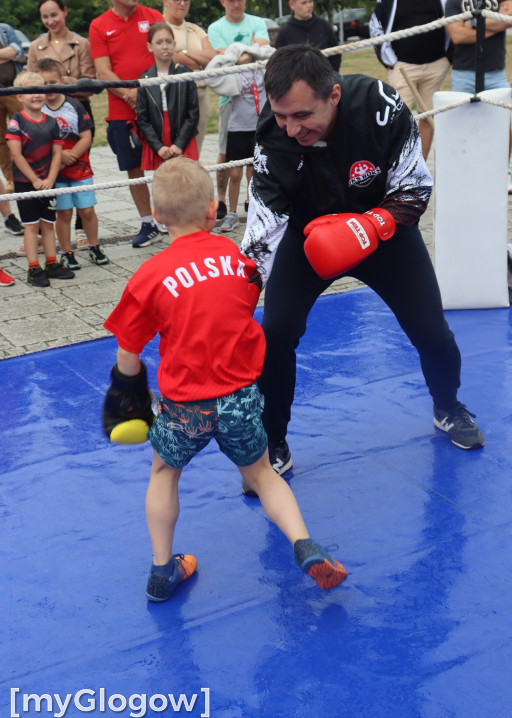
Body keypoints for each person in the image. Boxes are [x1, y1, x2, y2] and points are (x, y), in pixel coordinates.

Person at [102, 156, 347, 602]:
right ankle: (305, 545)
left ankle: (162, 570)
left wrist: (127, 390)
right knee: (262, 475)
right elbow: (238, 304)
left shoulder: (149, 276)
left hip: (183, 407)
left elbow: (128, 349)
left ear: (157, 217)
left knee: (163, 473)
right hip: (237, 398)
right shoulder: (239, 262)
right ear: (213, 211)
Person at [240, 45, 484, 486]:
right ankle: (273, 440)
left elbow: (415, 187)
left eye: (301, 115)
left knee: (433, 332)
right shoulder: (272, 138)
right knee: (273, 333)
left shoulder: (383, 108)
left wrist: (371, 226)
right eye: (281, 116)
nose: (292, 128)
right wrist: (233, 303)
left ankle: (447, 406)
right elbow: (262, 230)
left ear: (333, 94)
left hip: (383, 228)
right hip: (305, 234)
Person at [89, 0, 165, 248]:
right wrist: (130, 95)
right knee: (134, 169)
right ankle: (147, 222)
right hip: (122, 109)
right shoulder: (99, 25)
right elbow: (103, 72)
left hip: (159, 105)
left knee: (167, 162)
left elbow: (165, 53)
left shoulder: (153, 15)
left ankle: (171, 216)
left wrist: (147, 95)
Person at [28, 0, 98, 251]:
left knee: (80, 172)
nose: (50, 20)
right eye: (45, 16)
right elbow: (30, 84)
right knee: (51, 175)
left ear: (65, 12)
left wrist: (58, 83)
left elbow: (89, 82)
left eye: (54, 14)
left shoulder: (81, 43)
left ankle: (82, 227)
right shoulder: (36, 47)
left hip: (77, 116)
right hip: (44, 119)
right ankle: (49, 226)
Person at [369, 0, 454, 160]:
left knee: (427, 117)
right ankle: (398, 167)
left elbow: (457, 17)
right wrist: (390, 61)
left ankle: (419, 169)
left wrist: (450, 55)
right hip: (403, 67)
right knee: (399, 120)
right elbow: (376, 25)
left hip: (436, 65)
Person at [35, 58, 109, 270]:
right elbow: (38, 142)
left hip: (81, 169)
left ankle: (94, 245)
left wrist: (72, 155)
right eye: (43, 83)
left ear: (62, 80)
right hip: (55, 174)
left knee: (87, 210)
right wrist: (59, 157)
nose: (49, 88)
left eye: (53, 82)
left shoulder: (74, 105)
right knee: (64, 213)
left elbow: (87, 136)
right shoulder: (39, 110)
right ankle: (66, 252)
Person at [207, 0, 269, 229]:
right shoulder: (215, 27)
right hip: (230, 101)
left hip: (257, 105)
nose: (236, 3)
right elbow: (225, 57)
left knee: (255, 162)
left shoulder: (257, 22)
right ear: (223, 1)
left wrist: (242, 53)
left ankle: (250, 203)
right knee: (227, 156)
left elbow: (264, 48)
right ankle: (224, 202)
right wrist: (249, 49)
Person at [446, 0, 512, 191]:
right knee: (463, 125)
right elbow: (457, 37)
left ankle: (502, 172)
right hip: (464, 73)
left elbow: (509, 18)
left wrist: (472, 23)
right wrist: (492, 22)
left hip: (495, 71)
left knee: (505, 122)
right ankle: (466, 171)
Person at [6, 72, 74, 288]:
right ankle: (34, 267)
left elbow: (57, 154)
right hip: (26, 183)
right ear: (19, 96)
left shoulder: (53, 123)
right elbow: (16, 155)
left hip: (48, 181)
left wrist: (51, 178)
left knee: (48, 223)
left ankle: (52, 263)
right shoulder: (16, 122)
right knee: (31, 226)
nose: (37, 95)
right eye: (30, 91)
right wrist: (34, 180)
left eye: (40, 90)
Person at [161, 0, 216, 156]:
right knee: (172, 157)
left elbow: (212, 58)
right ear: (165, 0)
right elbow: (168, 57)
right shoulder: (159, 28)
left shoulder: (195, 29)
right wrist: (197, 59)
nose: (182, 3)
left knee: (194, 156)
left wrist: (183, 52)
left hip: (199, 95)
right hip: (170, 97)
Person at [136, 22, 199, 172]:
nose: (165, 46)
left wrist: (179, 144)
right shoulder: (144, 79)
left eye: (168, 41)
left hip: (182, 135)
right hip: (158, 138)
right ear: (149, 46)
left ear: (174, 44)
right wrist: (158, 146)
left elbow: (193, 113)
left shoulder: (186, 74)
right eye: (159, 42)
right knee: (163, 183)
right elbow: (142, 119)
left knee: (186, 179)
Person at [275, 0, 341, 72]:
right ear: (292, 5)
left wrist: (332, 76)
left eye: (310, 1)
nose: (309, 5)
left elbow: (336, 54)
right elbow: (279, 64)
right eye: (304, 3)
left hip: (325, 80)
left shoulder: (324, 26)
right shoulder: (284, 33)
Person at [0, 23, 26, 204]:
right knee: (0, 139)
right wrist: (6, 54)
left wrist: (13, 53)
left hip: (12, 88)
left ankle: (26, 173)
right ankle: (10, 178)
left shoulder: (5, 29)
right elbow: (11, 53)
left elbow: (19, 53)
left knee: (23, 131)